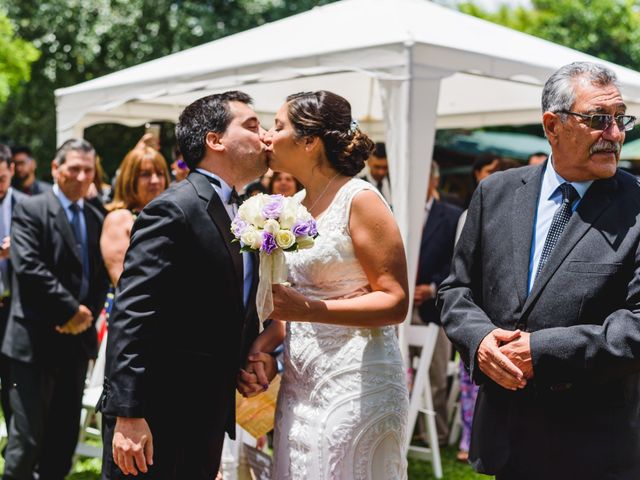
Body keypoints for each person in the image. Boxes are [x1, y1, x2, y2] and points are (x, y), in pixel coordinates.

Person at [438, 61, 640, 479]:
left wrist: (542, 352)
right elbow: (456, 291)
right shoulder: (496, 192)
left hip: (599, 447)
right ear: (552, 126)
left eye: (621, 119)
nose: (615, 134)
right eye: (599, 120)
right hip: (508, 441)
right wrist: (480, 341)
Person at [99, 91, 267, 479]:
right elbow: (132, 311)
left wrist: (245, 358)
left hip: (203, 416)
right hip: (157, 416)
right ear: (215, 140)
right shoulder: (174, 208)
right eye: (253, 126)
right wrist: (128, 414)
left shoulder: (236, 210)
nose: (266, 137)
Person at [246, 90, 410, 479]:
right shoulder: (295, 205)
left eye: (278, 126)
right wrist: (262, 346)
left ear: (309, 141)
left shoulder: (361, 199)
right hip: (300, 384)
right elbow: (295, 305)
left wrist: (312, 311)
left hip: (356, 384)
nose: (267, 136)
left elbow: (396, 301)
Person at [2, 139, 109, 480]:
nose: (81, 176)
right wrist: (69, 312)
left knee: (63, 439)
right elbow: (29, 267)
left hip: (75, 344)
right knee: (28, 436)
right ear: (55, 168)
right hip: (33, 342)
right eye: (74, 168)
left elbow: (101, 275)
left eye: (88, 170)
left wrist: (85, 315)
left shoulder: (96, 216)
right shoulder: (31, 209)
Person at [413, 160, 462, 445]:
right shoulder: (395, 212)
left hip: (434, 307)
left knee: (435, 373)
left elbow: (458, 262)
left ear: (434, 181)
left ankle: (437, 433)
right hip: (402, 308)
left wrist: (432, 288)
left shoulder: (452, 216)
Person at [100, 146, 169, 286]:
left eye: (160, 173)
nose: (155, 180)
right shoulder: (119, 219)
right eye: (145, 174)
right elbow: (122, 280)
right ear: (129, 179)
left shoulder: (169, 214)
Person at [0, 144, 27, 429]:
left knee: (12, 381)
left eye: (1, 179)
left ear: (11, 171)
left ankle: (15, 447)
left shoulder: (26, 205)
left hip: (13, 306)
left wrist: (16, 250)